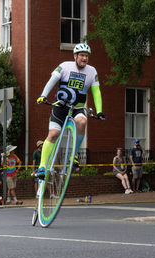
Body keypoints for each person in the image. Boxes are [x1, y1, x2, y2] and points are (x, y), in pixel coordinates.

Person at [36, 43, 106, 179]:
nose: (84, 58)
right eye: (82, 56)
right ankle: (42, 167)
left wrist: (99, 111)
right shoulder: (65, 66)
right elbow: (52, 81)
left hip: (77, 108)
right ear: (75, 56)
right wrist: (43, 95)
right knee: (53, 134)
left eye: (86, 56)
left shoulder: (92, 71)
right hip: (60, 107)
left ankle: (73, 154)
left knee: (82, 121)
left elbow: (96, 91)